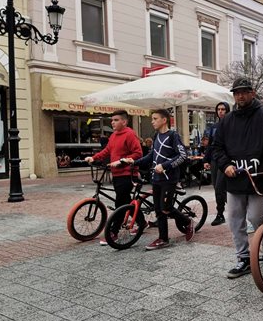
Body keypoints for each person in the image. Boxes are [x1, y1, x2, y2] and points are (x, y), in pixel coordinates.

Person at [213, 77, 263, 278]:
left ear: (252, 93)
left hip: (259, 178)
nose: (240, 96)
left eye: (244, 92)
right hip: (235, 179)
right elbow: (217, 148)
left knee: (257, 217)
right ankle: (244, 258)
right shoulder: (227, 121)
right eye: (237, 93)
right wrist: (225, 164)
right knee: (235, 220)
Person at [123, 109, 193, 250]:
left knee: (166, 208)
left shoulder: (173, 136)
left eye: (155, 118)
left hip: (169, 178)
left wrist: (165, 166)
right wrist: (134, 162)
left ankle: (188, 221)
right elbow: (151, 156)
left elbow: (182, 156)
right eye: (152, 118)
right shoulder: (156, 136)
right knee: (158, 210)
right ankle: (163, 238)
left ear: (164, 120)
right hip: (156, 178)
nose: (152, 121)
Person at [84, 110, 143, 245]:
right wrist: (93, 158)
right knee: (126, 201)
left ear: (124, 121)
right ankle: (142, 222)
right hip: (116, 174)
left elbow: (138, 153)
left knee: (120, 203)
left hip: (128, 174)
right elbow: (107, 151)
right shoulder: (114, 136)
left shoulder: (130, 134)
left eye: (116, 120)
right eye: (112, 120)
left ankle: (114, 233)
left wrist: (121, 161)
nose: (112, 122)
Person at [203, 101, 231, 226]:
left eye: (223, 109)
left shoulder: (232, 125)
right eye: (218, 109)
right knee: (216, 186)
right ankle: (223, 205)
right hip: (214, 160)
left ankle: (220, 214)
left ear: (227, 111)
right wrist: (206, 160)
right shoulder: (214, 127)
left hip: (226, 160)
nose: (220, 111)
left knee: (220, 186)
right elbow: (210, 145)